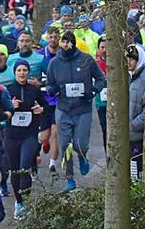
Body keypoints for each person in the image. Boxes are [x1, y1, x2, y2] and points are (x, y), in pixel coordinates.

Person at [46, 31, 107, 191]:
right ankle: (69, 179)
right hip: (63, 109)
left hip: (83, 108)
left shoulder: (86, 60)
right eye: (63, 42)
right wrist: (53, 90)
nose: (65, 45)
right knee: (65, 145)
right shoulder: (54, 63)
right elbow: (49, 85)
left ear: (73, 43)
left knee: (80, 143)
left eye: (68, 42)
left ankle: (82, 155)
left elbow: (101, 79)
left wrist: (93, 91)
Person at [4, 60, 47, 217]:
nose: (22, 73)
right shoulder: (7, 89)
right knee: (15, 171)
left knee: (24, 168)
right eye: (19, 70)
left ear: (28, 72)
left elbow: (46, 106)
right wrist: (10, 106)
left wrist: (40, 109)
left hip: (29, 135)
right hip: (11, 136)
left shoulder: (33, 90)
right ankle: (19, 202)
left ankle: (26, 203)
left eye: (25, 70)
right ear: (15, 72)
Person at [40, 25, 62, 173]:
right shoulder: (40, 56)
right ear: (47, 38)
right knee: (44, 136)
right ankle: (44, 142)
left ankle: (52, 164)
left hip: (59, 100)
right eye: (51, 37)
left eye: (56, 37)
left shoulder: (63, 55)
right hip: (43, 100)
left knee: (55, 132)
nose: (53, 40)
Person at [127, 44, 145, 177]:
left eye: (132, 59)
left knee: (137, 171)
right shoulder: (130, 76)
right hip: (130, 135)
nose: (129, 62)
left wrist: (133, 124)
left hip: (138, 135)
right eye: (127, 58)